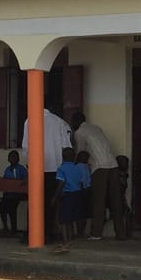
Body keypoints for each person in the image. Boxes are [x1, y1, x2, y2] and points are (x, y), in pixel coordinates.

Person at [69, 105, 118, 240]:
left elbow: (81, 154)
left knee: (98, 201)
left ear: (75, 122)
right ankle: (121, 233)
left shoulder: (79, 132)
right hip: (113, 164)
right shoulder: (96, 127)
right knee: (116, 200)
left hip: (99, 167)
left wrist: (72, 167)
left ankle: (96, 233)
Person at [55, 148, 92, 246]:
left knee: (63, 219)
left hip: (66, 195)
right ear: (74, 157)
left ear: (62, 157)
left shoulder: (61, 169)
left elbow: (61, 183)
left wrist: (55, 197)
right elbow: (81, 182)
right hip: (77, 194)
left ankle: (65, 241)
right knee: (71, 218)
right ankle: (70, 237)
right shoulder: (77, 168)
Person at [0, 149, 28, 236]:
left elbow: (26, 181)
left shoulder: (21, 169)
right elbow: (5, 181)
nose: (12, 159)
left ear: (18, 159)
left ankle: (14, 229)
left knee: (11, 208)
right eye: (10, 157)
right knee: (1, 207)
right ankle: (5, 227)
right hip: (8, 194)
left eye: (14, 157)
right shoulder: (7, 169)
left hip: (17, 194)